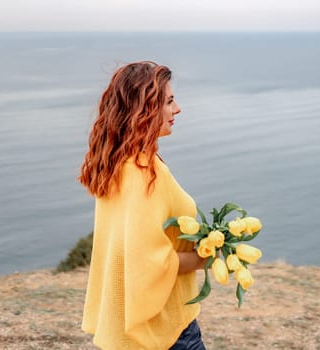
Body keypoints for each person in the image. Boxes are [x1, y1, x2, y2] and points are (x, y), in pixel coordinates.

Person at [79, 61, 207, 350]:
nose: (178, 109)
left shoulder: (113, 163)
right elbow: (151, 263)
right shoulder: (144, 171)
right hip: (162, 332)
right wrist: (205, 258)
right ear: (145, 108)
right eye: (169, 101)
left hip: (123, 329)